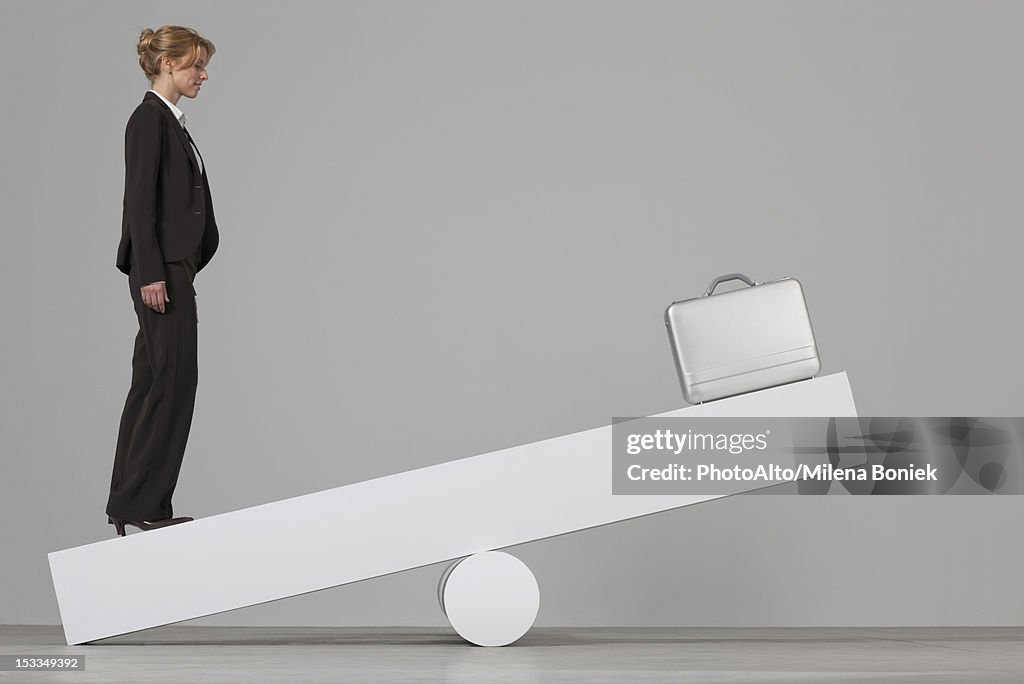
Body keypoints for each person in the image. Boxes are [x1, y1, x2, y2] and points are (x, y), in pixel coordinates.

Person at [106, 25, 219, 537]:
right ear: (168, 65)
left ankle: (132, 502)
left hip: (173, 268)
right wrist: (151, 272)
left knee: (153, 383)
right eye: (196, 64)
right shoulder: (148, 120)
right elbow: (139, 202)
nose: (203, 74)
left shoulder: (171, 123)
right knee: (172, 384)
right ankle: (146, 504)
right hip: (161, 274)